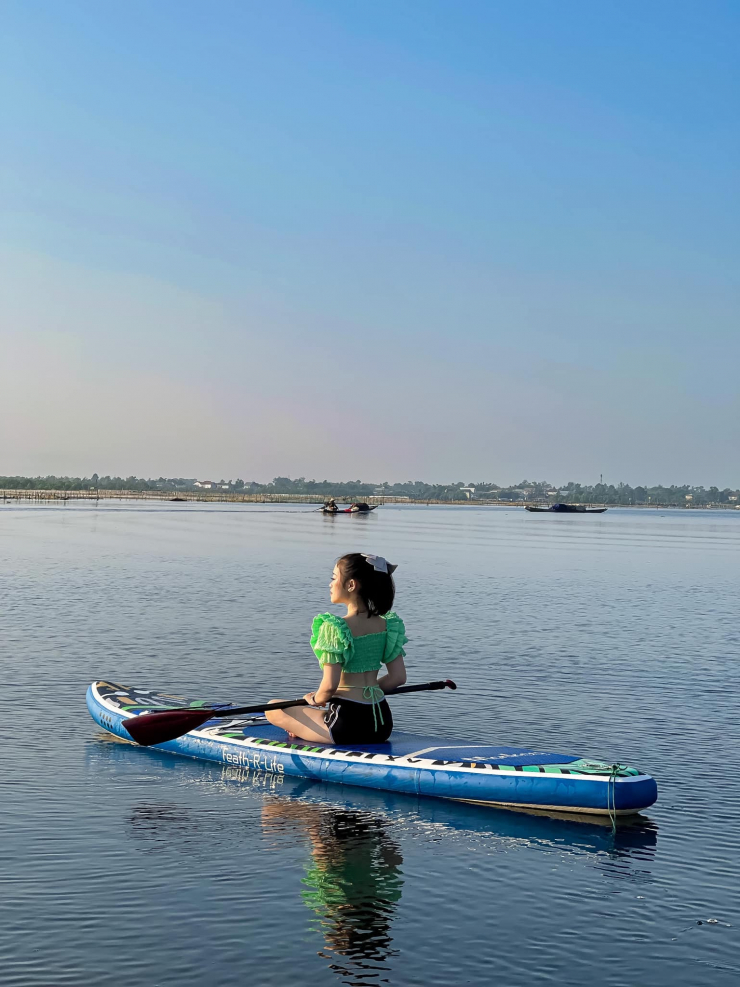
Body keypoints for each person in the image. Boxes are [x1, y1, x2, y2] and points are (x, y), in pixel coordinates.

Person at [265, 553, 407, 744]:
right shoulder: (389, 626)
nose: (330, 584)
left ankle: (303, 729)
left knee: (273, 708)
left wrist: (315, 698)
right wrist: (367, 692)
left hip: (346, 725)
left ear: (351, 585)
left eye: (334, 578)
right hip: (381, 722)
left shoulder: (335, 628)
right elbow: (398, 678)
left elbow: (329, 687)